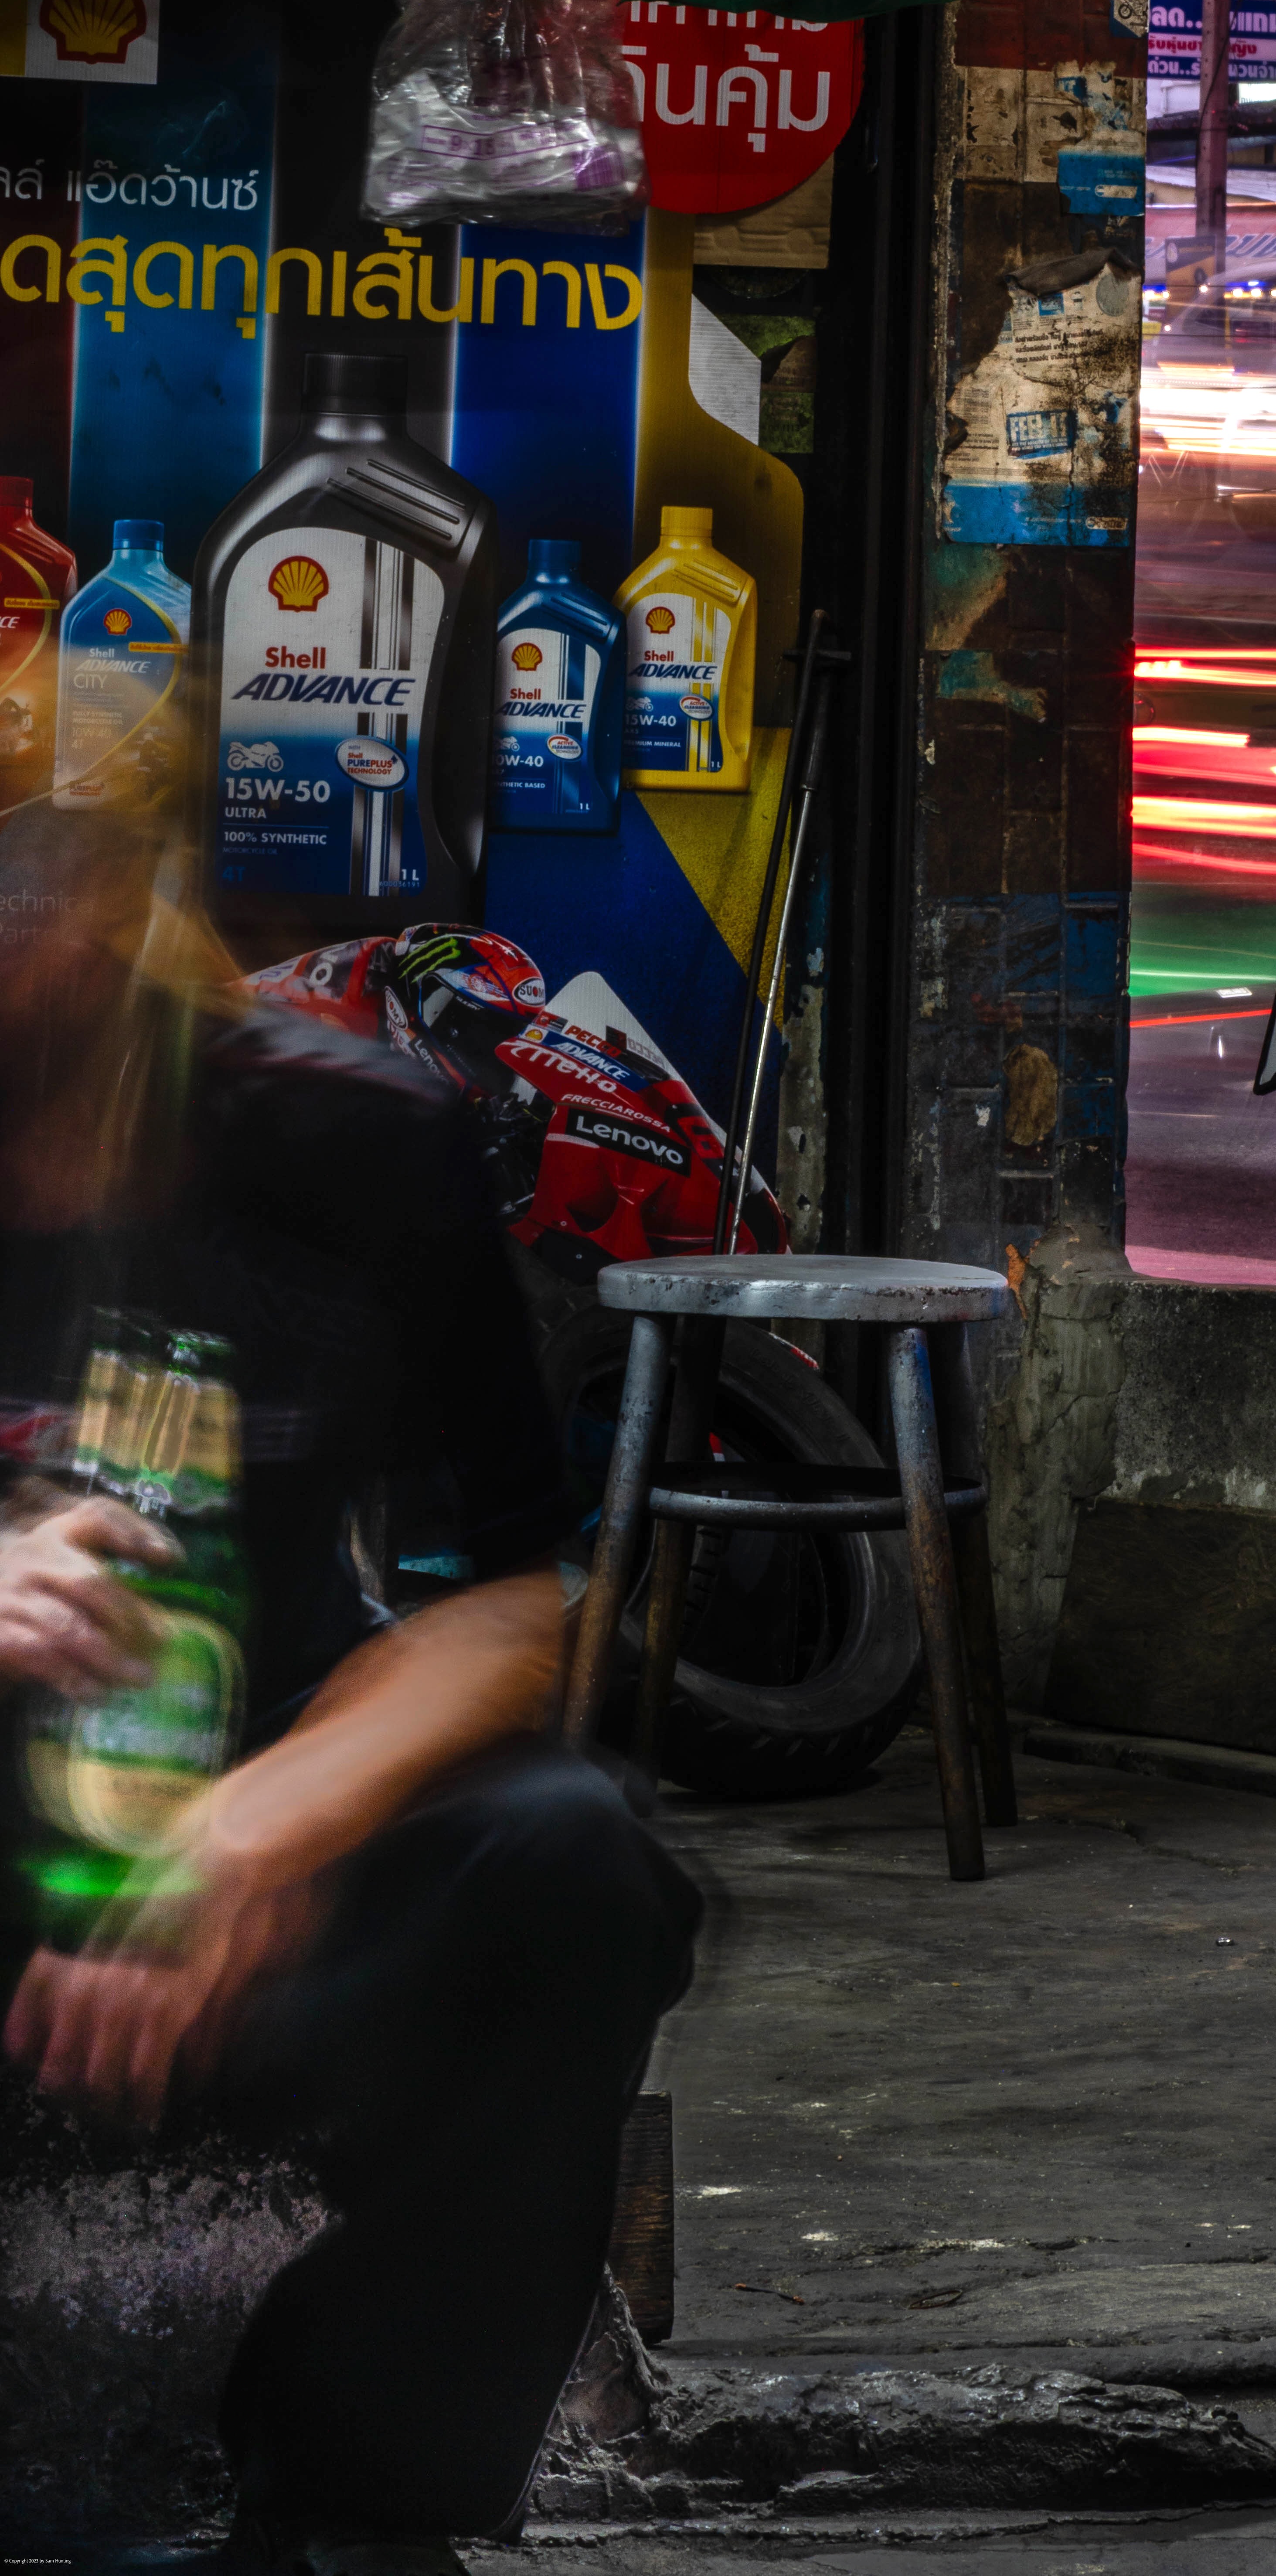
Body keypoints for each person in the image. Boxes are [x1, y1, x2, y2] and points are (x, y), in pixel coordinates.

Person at [0, 807, 700, 2574]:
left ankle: (351, 2521)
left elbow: (507, 1604)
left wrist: (265, 1825)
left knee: (570, 1861)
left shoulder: (349, 1139)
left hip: (232, 1887)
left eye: (41, 877)